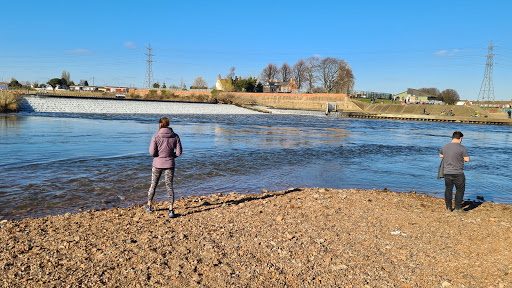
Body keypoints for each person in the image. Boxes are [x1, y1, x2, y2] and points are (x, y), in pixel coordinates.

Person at [147, 117, 183, 218]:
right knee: (169, 186)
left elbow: (152, 152)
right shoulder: (175, 136)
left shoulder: (156, 136)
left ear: (160, 125)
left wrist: (158, 157)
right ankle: (171, 209)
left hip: (157, 164)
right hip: (170, 164)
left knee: (153, 184)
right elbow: (179, 152)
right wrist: (172, 157)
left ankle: (149, 205)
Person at [439, 131, 470, 213]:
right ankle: (457, 208)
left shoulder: (445, 146)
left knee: (448, 189)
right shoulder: (462, 147)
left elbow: (441, 155)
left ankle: (448, 208)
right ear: (460, 138)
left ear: (452, 138)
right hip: (458, 173)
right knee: (460, 190)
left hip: (447, 172)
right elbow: (467, 159)